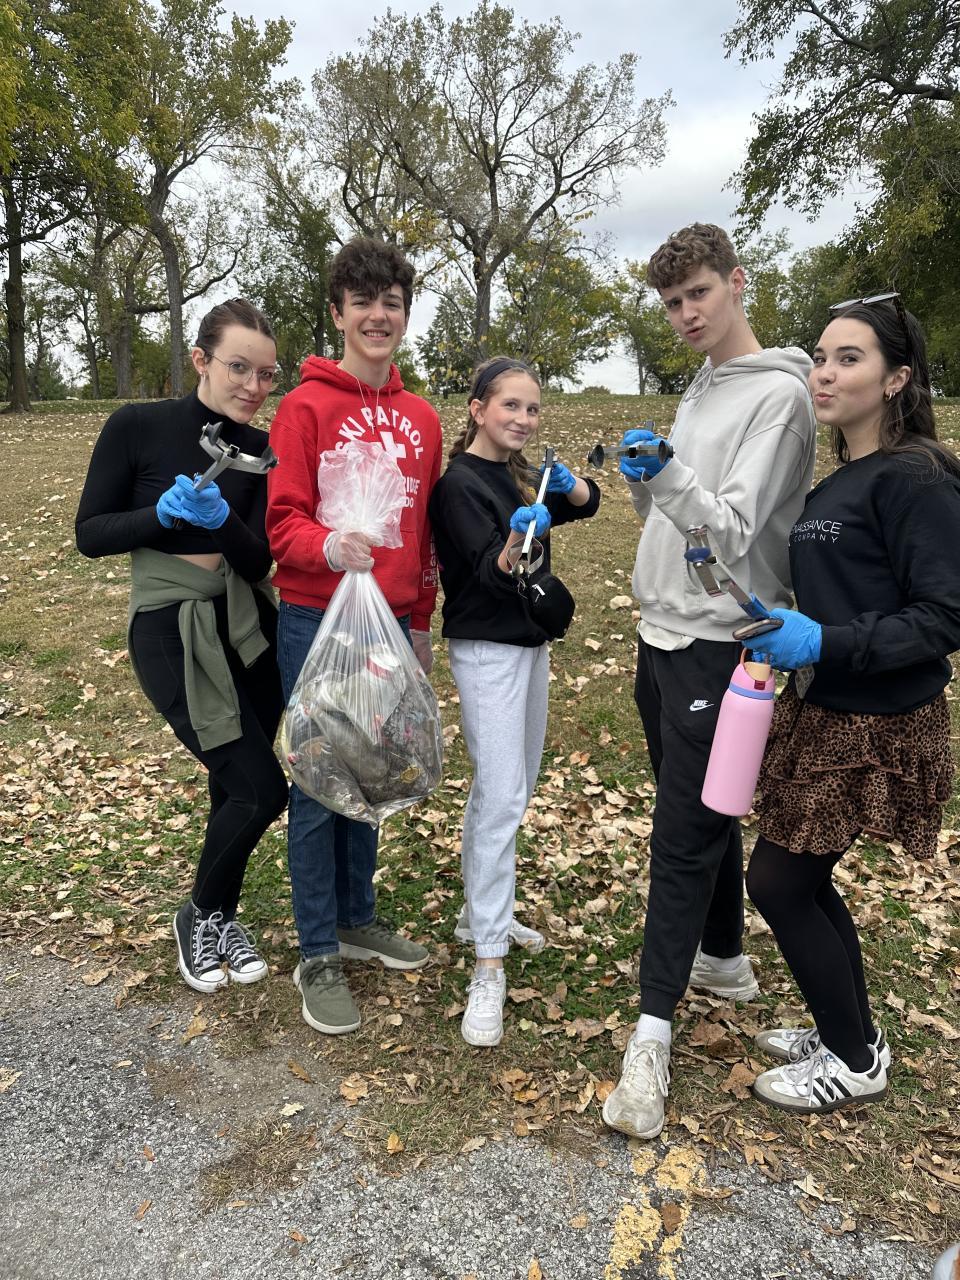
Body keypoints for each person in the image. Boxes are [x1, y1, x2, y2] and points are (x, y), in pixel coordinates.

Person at [602, 223, 818, 1140]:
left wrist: (675, 475)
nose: (686, 313)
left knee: (681, 838)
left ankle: (649, 1042)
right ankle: (723, 958)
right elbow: (674, 514)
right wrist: (646, 476)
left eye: (698, 294)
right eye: (672, 303)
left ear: (737, 282)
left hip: (721, 641)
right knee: (701, 812)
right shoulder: (702, 384)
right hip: (661, 633)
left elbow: (730, 528)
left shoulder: (780, 396)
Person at [741, 296, 960, 1113]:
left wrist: (825, 642)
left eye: (849, 358)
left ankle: (854, 1058)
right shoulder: (845, 478)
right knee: (798, 878)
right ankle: (851, 1032)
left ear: (897, 378)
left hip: (877, 718)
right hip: (826, 703)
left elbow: (944, 616)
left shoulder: (917, 477)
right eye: (821, 357)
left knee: (779, 882)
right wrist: (786, 631)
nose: (824, 373)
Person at [75, 299, 288, 993]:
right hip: (170, 627)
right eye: (239, 368)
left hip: (248, 628)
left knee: (231, 784)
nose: (253, 386)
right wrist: (158, 516)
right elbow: (90, 533)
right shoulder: (136, 426)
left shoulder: (261, 451)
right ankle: (197, 914)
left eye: (266, 374)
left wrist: (222, 518)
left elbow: (257, 561)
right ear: (201, 359)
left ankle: (219, 918)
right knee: (260, 789)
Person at [266, 237, 442, 1036]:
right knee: (317, 778)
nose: (378, 316)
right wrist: (328, 546)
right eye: (362, 302)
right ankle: (316, 950)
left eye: (391, 303)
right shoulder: (304, 408)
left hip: (390, 624)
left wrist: (421, 622)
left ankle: (356, 918)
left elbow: (424, 533)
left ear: (405, 314)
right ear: (337, 314)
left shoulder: (421, 418)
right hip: (316, 618)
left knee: (371, 771)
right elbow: (281, 522)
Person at [428, 357, 600, 1047]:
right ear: (477, 409)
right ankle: (488, 964)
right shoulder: (460, 484)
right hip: (488, 651)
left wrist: (571, 484)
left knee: (510, 789)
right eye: (510, 407)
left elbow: (587, 506)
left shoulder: (518, 474)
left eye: (532, 409)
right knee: (501, 797)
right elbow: (485, 573)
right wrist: (512, 546)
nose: (523, 419)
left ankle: (478, 916)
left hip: (531, 644)